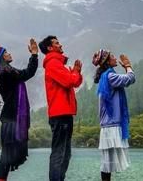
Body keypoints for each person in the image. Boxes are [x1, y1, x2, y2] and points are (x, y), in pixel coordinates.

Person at [0, 39, 39, 181]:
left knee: (7, 154)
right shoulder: (6, 72)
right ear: (2, 57)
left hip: (10, 117)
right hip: (12, 118)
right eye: (6, 52)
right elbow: (27, 73)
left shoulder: (4, 71)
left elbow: (24, 74)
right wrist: (34, 55)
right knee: (6, 155)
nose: (9, 54)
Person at [39, 35, 83, 181]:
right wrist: (75, 72)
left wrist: (74, 73)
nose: (60, 45)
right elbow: (70, 81)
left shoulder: (57, 64)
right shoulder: (53, 63)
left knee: (65, 154)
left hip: (63, 114)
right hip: (60, 115)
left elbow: (73, 82)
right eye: (57, 43)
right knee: (59, 153)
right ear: (50, 48)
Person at [92, 49, 136, 181]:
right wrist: (128, 66)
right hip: (111, 124)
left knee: (107, 162)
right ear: (107, 62)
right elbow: (130, 78)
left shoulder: (106, 76)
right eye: (112, 56)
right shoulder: (110, 76)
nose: (115, 58)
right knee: (106, 162)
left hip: (108, 124)